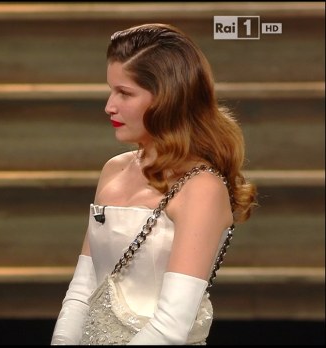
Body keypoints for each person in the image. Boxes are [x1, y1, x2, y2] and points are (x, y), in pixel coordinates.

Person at [51, 23, 258, 345]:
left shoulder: (201, 188)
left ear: (167, 99)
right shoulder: (113, 170)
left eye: (125, 93)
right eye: (111, 89)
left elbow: (170, 326)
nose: (109, 106)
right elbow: (82, 288)